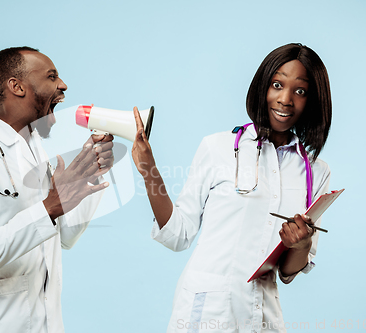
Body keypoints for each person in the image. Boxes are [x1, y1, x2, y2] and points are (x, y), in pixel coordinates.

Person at [132, 43, 332, 332]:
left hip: (263, 314)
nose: (285, 99)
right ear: (263, 86)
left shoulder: (316, 171)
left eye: (300, 91)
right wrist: (148, 168)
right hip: (207, 311)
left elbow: (289, 271)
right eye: (277, 85)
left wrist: (300, 245)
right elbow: (178, 234)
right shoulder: (218, 147)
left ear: (312, 100)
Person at [0, 46, 114, 333]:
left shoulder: (35, 151)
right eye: (52, 76)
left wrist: (88, 175)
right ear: (16, 86)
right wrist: (49, 208)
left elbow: (65, 237)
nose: (63, 85)